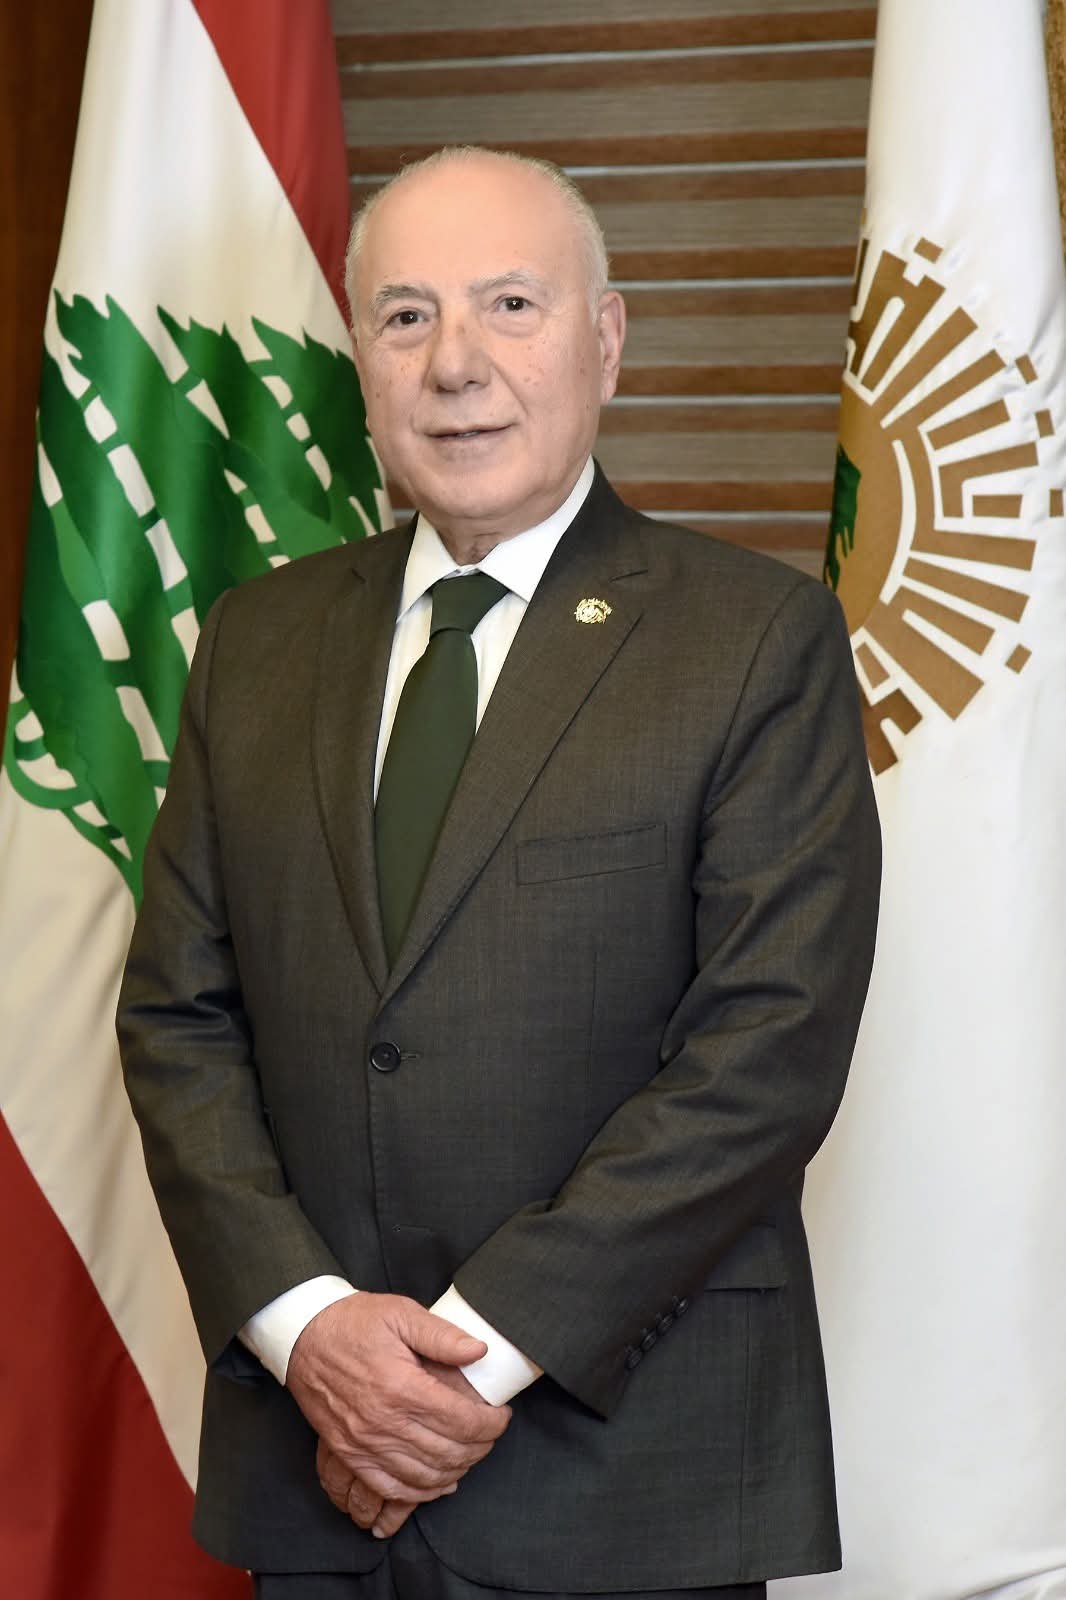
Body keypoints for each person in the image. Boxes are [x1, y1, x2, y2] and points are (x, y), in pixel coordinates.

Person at [117, 146, 881, 1600]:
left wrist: (464, 1366)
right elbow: (177, 1020)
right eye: (405, 316)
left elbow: (765, 1052)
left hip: (622, 1477)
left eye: (510, 305)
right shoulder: (256, 643)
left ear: (606, 342)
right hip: (313, 1465)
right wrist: (309, 1327)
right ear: (360, 364)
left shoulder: (753, 641)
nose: (454, 363)